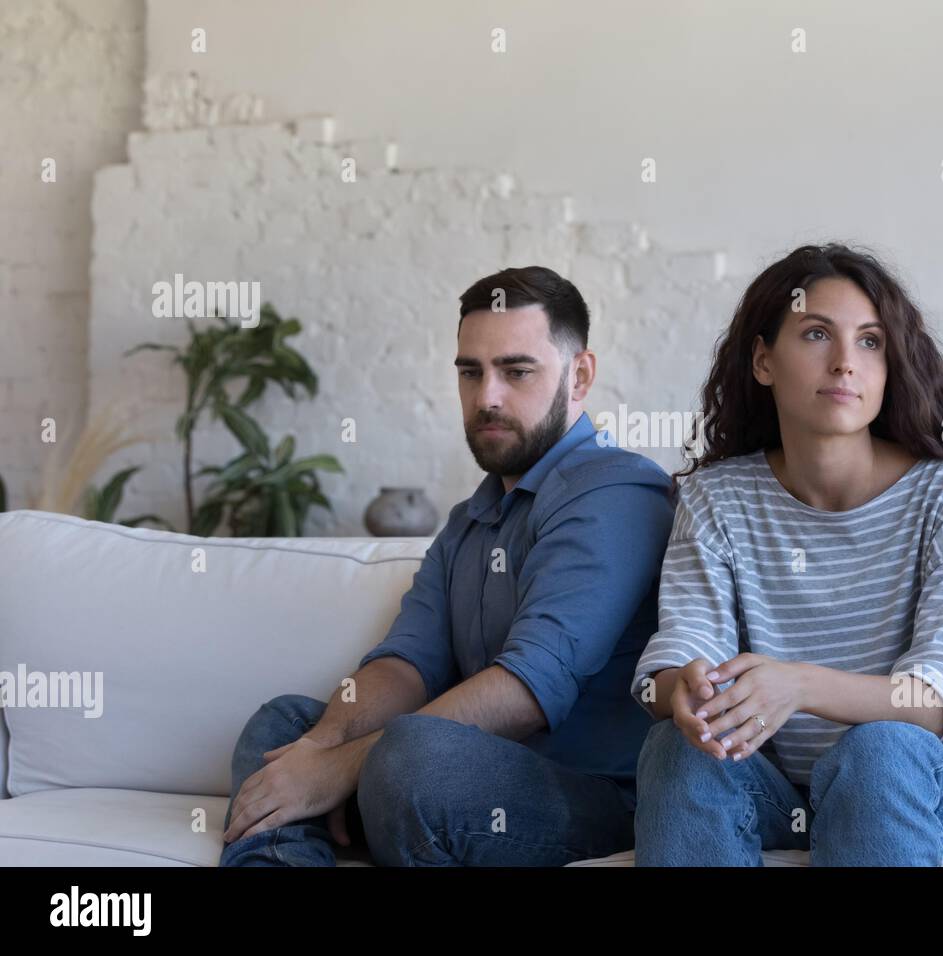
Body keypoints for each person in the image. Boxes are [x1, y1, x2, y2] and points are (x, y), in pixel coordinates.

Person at [220, 266, 674, 866]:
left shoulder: (616, 491)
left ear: (580, 374)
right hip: (440, 781)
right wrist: (320, 749)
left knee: (415, 756)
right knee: (287, 723)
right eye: (470, 371)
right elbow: (406, 663)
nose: (487, 396)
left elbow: (530, 690)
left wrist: (340, 769)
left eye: (516, 371)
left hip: (592, 799)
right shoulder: (470, 520)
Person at [630, 243, 943, 866]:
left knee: (880, 751)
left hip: (928, 795)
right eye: (817, 334)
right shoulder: (717, 498)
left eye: (871, 342)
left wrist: (798, 686)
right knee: (675, 748)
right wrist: (679, 692)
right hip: (778, 800)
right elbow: (682, 655)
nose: (847, 362)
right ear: (764, 360)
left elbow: (936, 699)